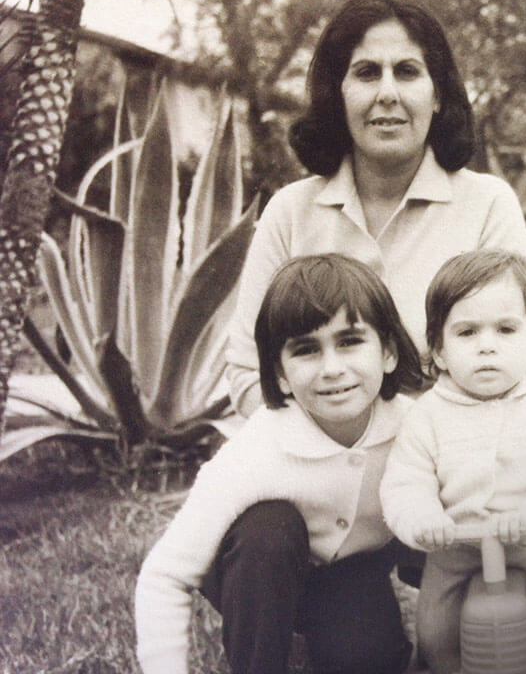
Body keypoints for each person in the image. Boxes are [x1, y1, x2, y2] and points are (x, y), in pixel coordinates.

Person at [226, 0, 526, 418]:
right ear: (338, 94)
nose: (387, 93)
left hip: (450, 468)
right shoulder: (290, 212)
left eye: (407, 72)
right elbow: (246, 373)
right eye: (367, 73)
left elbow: (512, 366)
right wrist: (338, 450)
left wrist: (406, 453)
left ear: (438, 95)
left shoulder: (488, 207)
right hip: (313, 467)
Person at [134, 254, 424, 674]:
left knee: (368, 659)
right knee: (268, 528)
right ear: (281, 374)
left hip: (348, 577)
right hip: (254, 569)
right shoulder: (260, 449)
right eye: (306, 350)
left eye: (350, 341)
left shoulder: (419, 432)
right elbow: (165, 576)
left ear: (389, 352)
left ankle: (326, 638)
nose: (332, 369)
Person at [380, 249, 526, 674]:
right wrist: (423, 520)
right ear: (439, 351)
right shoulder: (426, 416)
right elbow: (406, 480)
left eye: (505, 330)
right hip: (458, 542)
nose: (487, 346)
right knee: (434, 632)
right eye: (466, 333)